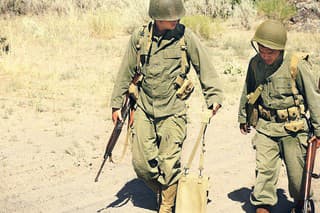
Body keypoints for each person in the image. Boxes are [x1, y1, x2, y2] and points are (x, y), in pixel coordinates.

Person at [110, 0, 223, 212]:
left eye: (178, 16)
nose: (177, 20)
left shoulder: (185, 37)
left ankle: (167, 205)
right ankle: (168, 190)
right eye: (171, 18)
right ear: (157, 17)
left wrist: (213, 97)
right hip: (144, 108)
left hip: (173, 110)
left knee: (169, 164)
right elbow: (125, 71)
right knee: (142, 165)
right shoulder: (140, 37)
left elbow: (205, 67)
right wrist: (116, 105)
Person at [238, 19, 320, 213]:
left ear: (280, 50)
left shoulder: (296, 65)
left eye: (270, 52)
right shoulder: (255, 64)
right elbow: (247, 90)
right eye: (262, 50)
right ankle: (263, 206)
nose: (265, 55)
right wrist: (243, 116)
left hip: (294, 129)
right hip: (266, 128)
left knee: (298, 178)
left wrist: (318, 130)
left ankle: (302, 203)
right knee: (264, 171)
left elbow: (313, 97)